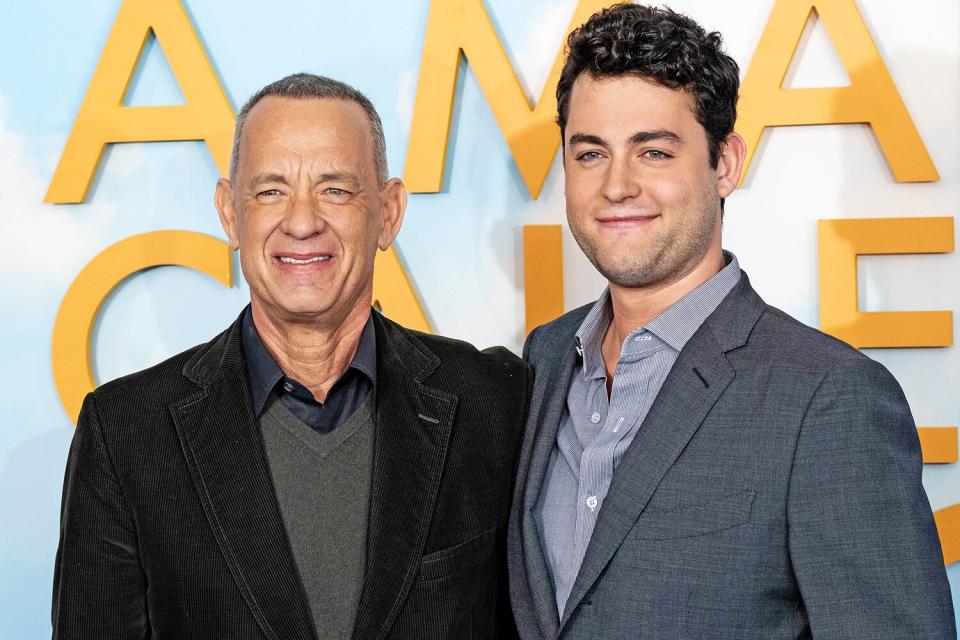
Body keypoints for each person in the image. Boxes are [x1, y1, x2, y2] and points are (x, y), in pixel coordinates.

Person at [507, 5, 955, 639]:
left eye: (654, 152)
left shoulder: (831, 398)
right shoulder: (545, 360)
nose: (616, 185)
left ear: (724, 164)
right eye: (589, 154)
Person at [53, 73, 528, 639]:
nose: (302, 222)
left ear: (389, 212)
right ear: (231, 214)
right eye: (271, 190)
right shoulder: (127, 429)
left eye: (336, 189)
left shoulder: (492, 399)